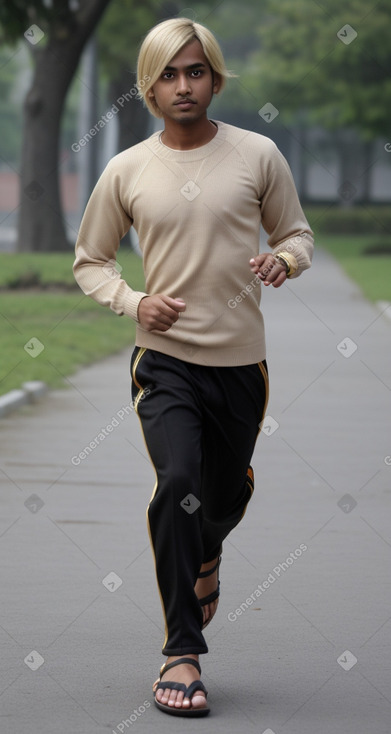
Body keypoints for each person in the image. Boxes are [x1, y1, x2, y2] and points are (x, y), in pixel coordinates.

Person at [73, 16, 314, 718]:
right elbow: (91, 261)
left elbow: (295, 231)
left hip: (241, 367)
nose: (184, 85)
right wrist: (132, 301)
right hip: (165, 363)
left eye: (196, 70)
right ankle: (181, 650)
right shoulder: (126, 169)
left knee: (221, 499)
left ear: (214, 76)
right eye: (169, 74)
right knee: (176, 483)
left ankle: (206, 550)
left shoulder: (257, 154)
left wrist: (285, 259)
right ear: (148, 87)